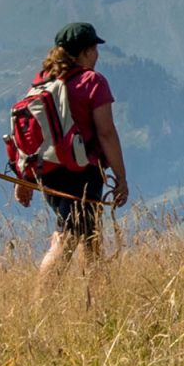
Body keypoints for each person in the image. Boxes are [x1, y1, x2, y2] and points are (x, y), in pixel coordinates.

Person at [13, 22, 130, 277]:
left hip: (49, 171)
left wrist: (24, 177)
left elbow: (27, 135)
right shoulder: (92, 81)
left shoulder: (41, 84)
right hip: (81, 171)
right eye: (94, 50)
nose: (97, 56)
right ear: (86, 51)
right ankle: (41, 304)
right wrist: (121, 177)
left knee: (90, 236)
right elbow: (106, 133)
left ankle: (99, 301)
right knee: (68, 238)